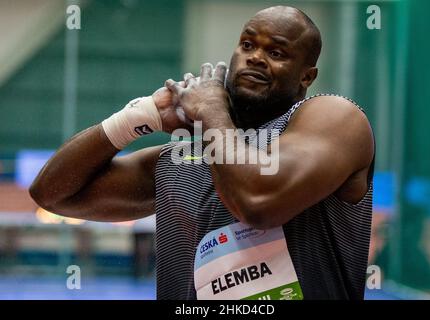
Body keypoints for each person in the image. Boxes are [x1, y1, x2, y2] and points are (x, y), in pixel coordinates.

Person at [30, 6, 375, 300]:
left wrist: (211, 110)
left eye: (277, 53)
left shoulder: (335, 118)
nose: (256, 57)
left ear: (307, 76)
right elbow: (53, 194)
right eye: (247, 44)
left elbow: (257, 202)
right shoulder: (184, 158)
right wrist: (139, 116)